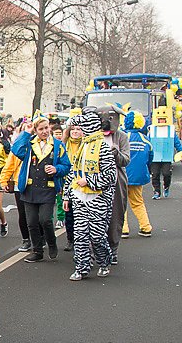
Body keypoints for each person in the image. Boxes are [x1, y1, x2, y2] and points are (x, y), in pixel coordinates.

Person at [10, 114, 71, 262]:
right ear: (36, 130)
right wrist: (26, 132)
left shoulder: (58, 145)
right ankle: (37, 251)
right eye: (41, 129)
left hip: (47, 189)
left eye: (46, 128)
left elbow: (66, 166)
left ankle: (51, 242)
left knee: (45, 220)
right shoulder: (29, 144)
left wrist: (56, 169)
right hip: (30, 189)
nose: (44, 131)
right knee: (31, 222)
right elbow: (16, 150)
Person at [65, 107, 117, 281]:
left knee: (97, 236)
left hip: (98, 197)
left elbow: (110, 176)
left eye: (81, 127)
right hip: (79, 197)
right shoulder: (81, 147)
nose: (78, 130)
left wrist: (89, 181)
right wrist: (67, 195)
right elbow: (73, 172)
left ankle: (104, 262)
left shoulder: (103, 148)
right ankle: (81, 268)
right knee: (80, 235)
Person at [99, 106, 130, 265]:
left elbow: (126, 160)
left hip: (116, 180)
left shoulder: (121, 136)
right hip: (96, 181)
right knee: (96, 217)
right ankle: (97, 250)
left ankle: (113, 249)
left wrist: (116, 153)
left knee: (115, 215)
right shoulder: (93, 136)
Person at [120, 110, 153, 238]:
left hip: (123, 175)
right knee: (138, 202)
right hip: (139, 176)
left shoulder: (122, 137)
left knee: (121, 203)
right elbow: (150, 157)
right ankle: (146, 227)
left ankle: (123, 229)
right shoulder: (145, 139)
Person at [147, 105, 182, 199]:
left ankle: (166, 187)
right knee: (155, 175)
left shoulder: (171, 130)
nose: (161, 121)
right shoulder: (152, 130)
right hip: (155, 157)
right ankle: (156, 192)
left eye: (163, 119)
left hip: (167, 156)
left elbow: (177, 143)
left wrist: (180, 151)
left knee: (167, 174)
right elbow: (148, 143)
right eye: (160, 119)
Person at [61, 123, 84, 251]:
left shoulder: (86, 145)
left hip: (82, 184)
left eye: (78, 129)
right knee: (69, 214)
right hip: (67, 184)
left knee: (81, 216)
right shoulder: (64, 145)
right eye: (73, 129)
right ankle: (70, 239)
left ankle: (81, 241)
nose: (75, 131)